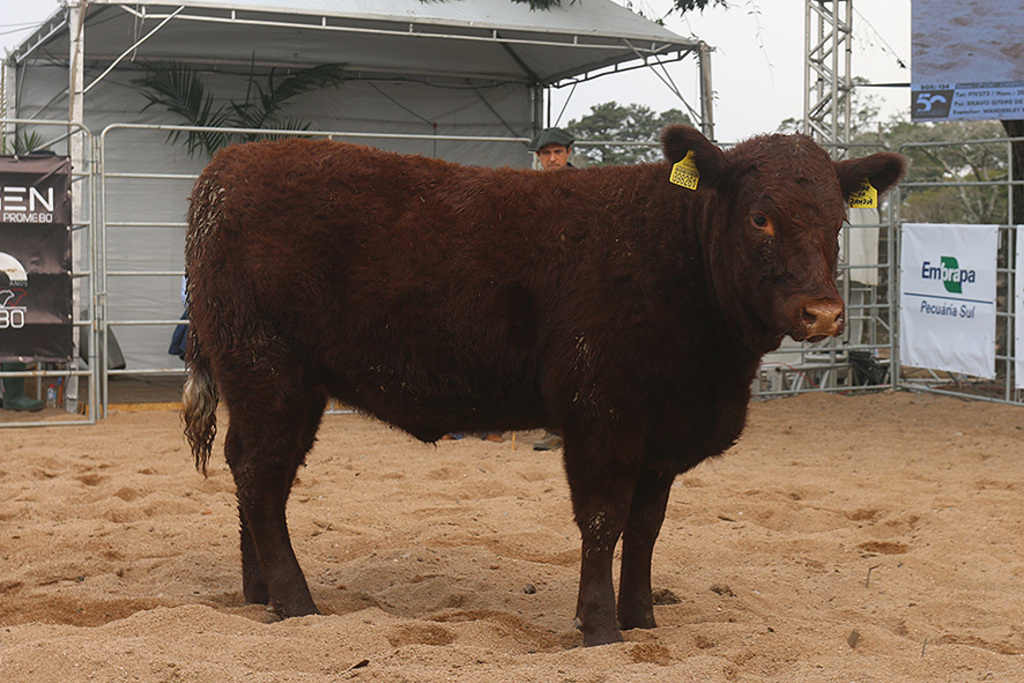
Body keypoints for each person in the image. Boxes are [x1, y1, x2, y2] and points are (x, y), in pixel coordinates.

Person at [527, 127, 575, 450]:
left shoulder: (583, 185)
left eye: (557, 152)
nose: (552, 158)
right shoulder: (532, 189)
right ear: (538, 158)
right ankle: (553, 426)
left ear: (569, 153)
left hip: (577, 279)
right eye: (546, 153)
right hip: (544, 278)